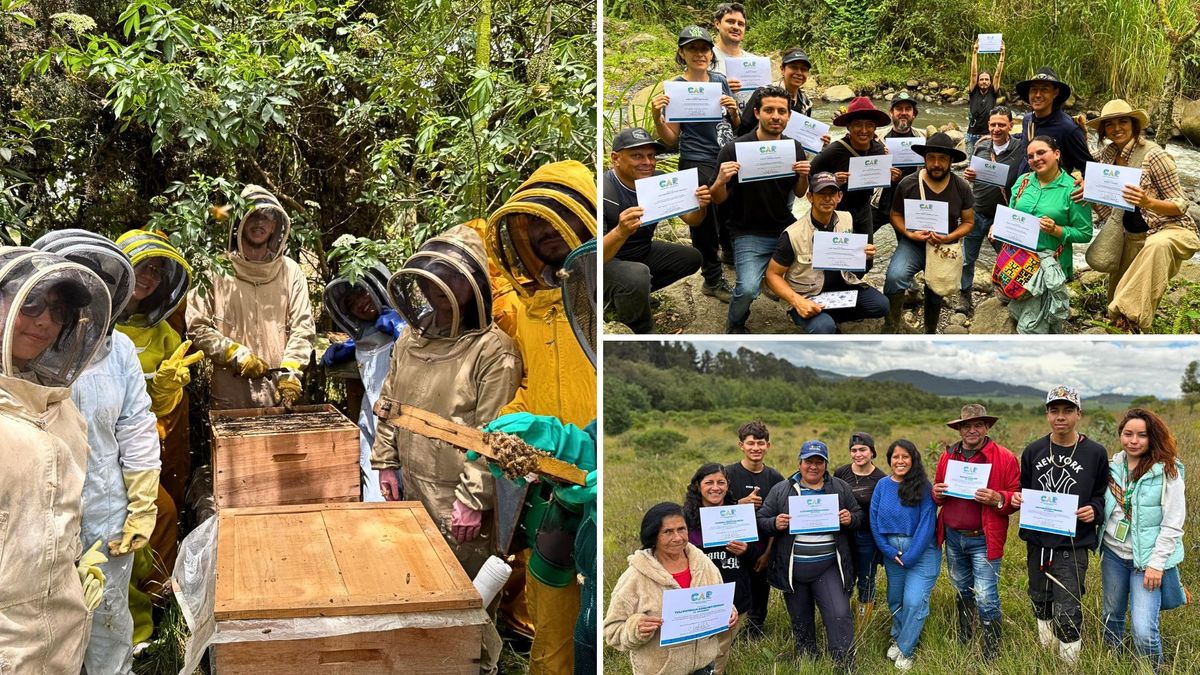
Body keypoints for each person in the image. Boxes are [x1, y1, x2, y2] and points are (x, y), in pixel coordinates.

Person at [372, 224, 521, 674]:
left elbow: (493, 433)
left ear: (474, 284)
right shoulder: (410, 339)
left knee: (468, 604)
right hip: (414, 487)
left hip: (461, 497)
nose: (438, 290)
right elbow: (390, 404)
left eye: (451, 278)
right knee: (419, 589)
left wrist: (473, 502)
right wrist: (385, 462)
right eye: (432, 277)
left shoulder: (494, 351)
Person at [484, 160, 598, 674]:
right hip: (553, 490)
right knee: (552, 623)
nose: (548, 234)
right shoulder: (530, 307)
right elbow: (533, 384)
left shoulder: (602, 294)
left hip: (599, 484)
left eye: (557, 220)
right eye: (537, 225)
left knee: (600, 626)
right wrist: (507, 424)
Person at [33, 230, 161, 675]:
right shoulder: (25, 348)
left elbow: (136, 425)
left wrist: (143, 504)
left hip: (107, 509)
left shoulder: (120, 349)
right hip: (41, 515)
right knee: (48, 626)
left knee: (108, 618)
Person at [0, 248, 111, 672]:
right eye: (30, 303)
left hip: (62, 634)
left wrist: (72, 561)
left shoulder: (61, 409)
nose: (45, 322)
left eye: (58, 311)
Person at [114, 229, 194, 643]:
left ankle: (151, 614)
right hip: (97, 450)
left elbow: (160, 411)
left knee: (159, 514)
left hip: (144, 445)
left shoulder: (164, 333)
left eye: (157, 271)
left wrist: (164, 392)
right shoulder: (92, 319)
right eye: (142, 266)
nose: (148, 277)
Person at [186, 184, 315, 409]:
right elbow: (197, 326)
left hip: (279, 389)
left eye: (266, 217)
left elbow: (303, 328)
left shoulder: (291, 271)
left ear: (275, 225)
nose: (259, 223)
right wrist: (236, 353)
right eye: (251, 215)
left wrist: (291, 370)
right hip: (230, 390)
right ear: (240, 222)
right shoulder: (215, 268)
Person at [1077, 99, 1200, 332]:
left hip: (1169, 230)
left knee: (1156, 248)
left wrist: (1147, 202)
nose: (1117, 128)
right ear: (1104, 131)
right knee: (1117, 298)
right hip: (1130, 236)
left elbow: (1180, 204)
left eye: (1123, 121)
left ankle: (1131, 324)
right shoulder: (1108, 153)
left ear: (1134, 124)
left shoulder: (1154, 156)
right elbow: (1084, 163)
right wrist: (1087, 186)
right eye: (1110, 124)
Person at [1011, 385, 1109, 666]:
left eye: (1068, 411)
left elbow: (1101, 494)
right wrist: (1019, 497)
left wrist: (1095, 510)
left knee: (1067, 607)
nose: (1060, 417)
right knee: (1040, 600)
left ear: (1079, 413)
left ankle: (1068, 664)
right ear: (1047, 414)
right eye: (1054, 411)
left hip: (1072, 542)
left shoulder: (1095, 453)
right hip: (1039, 542)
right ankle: (1045, 651)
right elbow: (1025, 488)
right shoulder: (1033, 451)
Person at [710, 84, 809, 333]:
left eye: (781, 111)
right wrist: (721, 180)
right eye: (769, 110)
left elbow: (799, 193)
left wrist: (804, 175)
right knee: (747, 289)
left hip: (783, 226)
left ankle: (809, 313)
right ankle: (735, 324)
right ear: (757, 113)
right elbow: (717, 199)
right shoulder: (733, 149)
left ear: (788, 116)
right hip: (747, 231)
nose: (775, 116)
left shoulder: (793, 148)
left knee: (812, 275)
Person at [651, 26, 740, 301]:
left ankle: (727, 253)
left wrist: (735, 110)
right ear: (682, 52)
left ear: (711, 52)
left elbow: (733, 126)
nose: (700, 54)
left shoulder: (719, 81)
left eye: (704, 48)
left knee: (728, 210)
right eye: (692, 48)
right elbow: (670, 139)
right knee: (702, 220)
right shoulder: (676, 88)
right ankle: (711, 279)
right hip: (695, 159)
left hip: (724, 155)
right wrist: (658, 117)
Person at [756, 440, 860, 668]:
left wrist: (850, 519)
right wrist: (775, 523)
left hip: (828, 567)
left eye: (819, 462)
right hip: (793, 571)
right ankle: (808, 660)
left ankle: (844, 664)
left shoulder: (839, 487)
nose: (813, 467)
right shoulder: (782, 490)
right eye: (809, 461)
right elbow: (762, 519)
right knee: (801, 620)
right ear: (800, 463)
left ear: (826, 464)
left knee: (839, 614)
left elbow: (858, 514)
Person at [930, 404, 1020, 658]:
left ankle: (991, 650)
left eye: (978, 425)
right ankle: (965, 636)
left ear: (987, 427)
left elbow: (1016, 496)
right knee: (962, 589)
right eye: (966, 425)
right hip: (953, 537)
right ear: (959, 428)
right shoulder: (948, 456)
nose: (972, 430)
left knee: (986, 595)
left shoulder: (1004, 457)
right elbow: (938, 493)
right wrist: (935, 493)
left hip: (984, 538)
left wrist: (998, 498)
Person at [603, 502, 735, 675]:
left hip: (704, 666)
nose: (678, 537)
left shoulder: (703, 563)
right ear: (653, 536)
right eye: (668, 532)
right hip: (660, 671)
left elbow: (717, 598)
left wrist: (727, 611)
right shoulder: (635, 577)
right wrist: (635, 628)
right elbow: (611, 631)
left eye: (682, 529)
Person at [1100, 408, 1185, 667]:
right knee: (1111, 615)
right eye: (1128, 434)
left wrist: (1156, 564)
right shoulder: (1112, 468)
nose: (1133, 441)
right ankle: (1110, 663)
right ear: (1120, 435)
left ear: (1152, 438)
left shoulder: (1167, 472)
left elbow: (1173, 523)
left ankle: (1151, 669)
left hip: (1147, 563)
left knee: (1144, 630)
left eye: (1141, 435)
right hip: (1114, 554)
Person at [603, 127, 707, 333]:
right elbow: (593, 258)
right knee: (636, 275)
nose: (647, 162)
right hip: (607, 263)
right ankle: (641, 329)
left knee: (692, 257)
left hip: (641, 252)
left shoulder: (658, 181)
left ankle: (633, 296)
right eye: (637, 156)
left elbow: (692, 220)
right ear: (616, 158)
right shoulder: (603, 192)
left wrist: (700, 205)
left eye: (651, 156)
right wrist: (620, 231)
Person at [764, 171, 888, 333]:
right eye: (821, 193)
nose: (828, 198)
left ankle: (828, 317)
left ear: (839, 197)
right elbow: (772, 275)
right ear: (810, 197)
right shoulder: (793, 234)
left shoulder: (846, 219)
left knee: (881, 305)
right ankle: (820, 322)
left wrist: (862, 255)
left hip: (840, 288)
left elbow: (851, 259)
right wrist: (797, 302)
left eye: (832, 193)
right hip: (807, 294)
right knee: (824, 327)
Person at [321, 263, 404, 502]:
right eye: (350, 303)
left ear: (377, 286)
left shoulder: (413, 325)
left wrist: (404, 332)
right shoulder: (364, 337)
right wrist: (349, 348)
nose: (359, 303)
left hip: (407, 425)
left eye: (361, 292)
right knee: (378, 500)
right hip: (375, 424)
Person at [884, 132, 975, 334]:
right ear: (924, 159)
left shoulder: (961, 187)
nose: (936, 163)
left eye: (942, 159)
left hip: (943, 245)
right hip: (914, 243)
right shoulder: (908, 183)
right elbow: (895, 214)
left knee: (936, 288)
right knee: (895, 276)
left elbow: (969, 222)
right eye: (931, 158)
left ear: (951, 161)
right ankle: (891, 325)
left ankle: (930, 331)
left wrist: (950, 237)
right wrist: (909, 234)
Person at [1004, 136, 1093, 333]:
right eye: (1030, 156)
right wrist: (998, 228)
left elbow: (1085, 234)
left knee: (1030, 328)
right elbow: (1011, 215)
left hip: (1050, 264)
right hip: (1020, 260)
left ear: (1057, 154)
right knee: (1023, 311)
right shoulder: (1023, 181)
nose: (1035, 158)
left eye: (1041, 152)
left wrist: (1056, 230)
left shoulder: (1074, 190)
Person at [871, 439, 939, 672]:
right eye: (895, 457)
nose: (900, 461)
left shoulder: (924, 487)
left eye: (905, 457)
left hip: (921, 551)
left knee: (914, 601)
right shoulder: (882, 485)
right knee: (896, 599)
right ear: (889, 460)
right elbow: (874, 520)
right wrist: (888, 551)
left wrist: (909, 556)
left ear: (913, 459)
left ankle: (906, 648)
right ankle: (898, 635)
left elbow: (927, 524)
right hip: (892, 552)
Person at [682, 463, 753, 674]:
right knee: (691, 653)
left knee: (720, 652)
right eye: (709, 482)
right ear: (698, 485)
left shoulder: (739, 514)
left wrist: (746, 550)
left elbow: (758, 559)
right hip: (695, 599)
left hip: (734, 597)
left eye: (721, 482)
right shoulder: (684, 518)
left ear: (727, 485)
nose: (715, 487)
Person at [960, 106, 1026, 313]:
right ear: (988, 125)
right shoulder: (981, 145)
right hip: (976, 212)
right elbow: (973, 172)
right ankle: (964, 295)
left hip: (1003, 216)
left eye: (1001, 124)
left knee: (1008, 259)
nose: (996, 129)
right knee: (966, 259)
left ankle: (1009, 292)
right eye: (993, 124)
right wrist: (969, 176)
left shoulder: (1021, 149)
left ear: (1011, 125)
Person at [723, 420, 785, 639]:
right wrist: (739, 504)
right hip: (729, 547)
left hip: (760, 549)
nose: (756, 448)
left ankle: (754, 635)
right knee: (730, 590)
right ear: (741, 445)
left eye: (760, 443)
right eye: (751, 443)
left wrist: (768, 553)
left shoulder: (776, 478)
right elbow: (713, 511)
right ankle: (727, 634)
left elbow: (778, 520)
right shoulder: (727, 475)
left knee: (760, 592)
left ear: (768, 446)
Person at [810, 97, 899, 241]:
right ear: (848, 127)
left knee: (866, 256)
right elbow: (809, 176)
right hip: (835, 212)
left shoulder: (879, 149)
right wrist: (832, 180)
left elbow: (877, 180)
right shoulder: (834, 151)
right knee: (837, 256)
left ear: (875, 127)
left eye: (869, 125)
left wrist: (891, 178)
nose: (864, 130)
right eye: (857, 125)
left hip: (863, 210)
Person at [833, 432, 886, 623]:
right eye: (853, 450)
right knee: (843, 578)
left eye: (863, 449)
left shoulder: (881, 479)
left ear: (872, 452)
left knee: (866, 579)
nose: (858, 454)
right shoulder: (841, 473)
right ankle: (842, 619)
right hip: (842, 536)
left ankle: (863, 622)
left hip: (867, 537)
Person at [1014, 67, 1090, 175]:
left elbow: (1087, 166)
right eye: (1034, 90)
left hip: (1053, 189)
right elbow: (1024, 137)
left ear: (1055, 93)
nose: (1038, 95)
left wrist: (1084, 182)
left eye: (1044, 90)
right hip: (1025, 187)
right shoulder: (1028, 120)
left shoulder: (1068, 128)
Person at [871, 92, 926, 233]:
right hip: (879, 201)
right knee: (862, 242)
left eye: (908, 109)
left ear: (914, 114)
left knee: (910, 249)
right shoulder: (876, 137)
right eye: (899, 109)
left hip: (909, 204)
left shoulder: (925, 138)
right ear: (891, 112)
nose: (903, 113)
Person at [737, 48, 815, 135]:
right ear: (782, 69)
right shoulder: (763, 94)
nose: (799, 73)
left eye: (803, 69)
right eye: (794, 67)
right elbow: (744, 128)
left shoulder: (806, 103)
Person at [709, 2, 758, 109]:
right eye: (730, 22)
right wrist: (722, 87)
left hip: (751, 123)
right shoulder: (704, 58)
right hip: (718, 123)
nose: (736, 27)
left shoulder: (755, 61)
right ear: (717, 24)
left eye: (741, 24)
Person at [965, 39, 1005, 154]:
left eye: (986, 79)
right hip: (971, 134)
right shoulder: (973, 91)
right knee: (970, 163)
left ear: (990, 82)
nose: (984, 81)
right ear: (977, 82)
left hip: (987, 134)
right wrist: (974, 52)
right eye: (981, 79)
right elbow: (973, 74)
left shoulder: (993, 91)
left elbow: (997, 74)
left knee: (984, 162)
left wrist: (1002, 54)